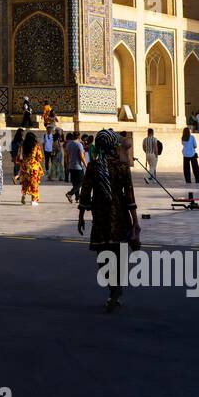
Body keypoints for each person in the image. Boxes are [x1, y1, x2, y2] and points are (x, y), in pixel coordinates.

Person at [78, 128, 141, 313]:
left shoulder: (93, 166)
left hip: (100, 216)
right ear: (114, 145)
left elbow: (85, 192)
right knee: (119, 253)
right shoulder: (121, 167)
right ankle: (117, 287)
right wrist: (135, 221)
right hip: (119, 215)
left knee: (102, 254)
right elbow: (129, 195)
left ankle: (112, 289)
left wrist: (81, 217)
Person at [19, 131, 45, 206]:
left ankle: (23, 195)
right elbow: (39, 157)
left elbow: (19, 157)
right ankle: (33, 200)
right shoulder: (36, 146)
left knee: (25, 183)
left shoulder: (22, 145)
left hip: (25, 167)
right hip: (33, 167)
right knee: (34, 183)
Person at [65, 131, 85, 203]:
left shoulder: (68, 144)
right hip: (78, 167)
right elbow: (82, 156)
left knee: (75, 183)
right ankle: (69, 194)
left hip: (71, 166)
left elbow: (66, 156)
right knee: (81, 182)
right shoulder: (79, 145)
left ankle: (77, 198)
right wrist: (86, 165)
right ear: (79, 136)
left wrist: (67, 164)